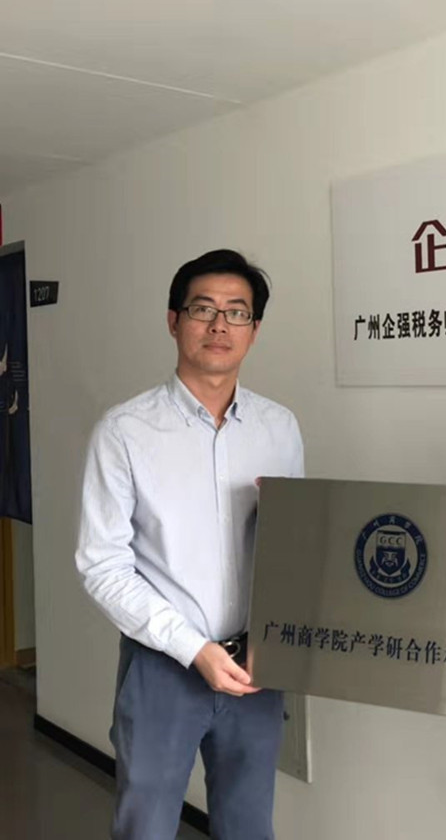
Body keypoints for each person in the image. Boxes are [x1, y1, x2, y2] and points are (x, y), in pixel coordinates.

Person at [76, 249, 304, 840]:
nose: (219, 325)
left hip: (255, 666)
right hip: (163, 667)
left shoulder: (280, 428)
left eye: (237, 312)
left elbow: (294, 546)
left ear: (255, 329)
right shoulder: (124, 431)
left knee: (248, 825)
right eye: (203, 309)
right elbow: (102, 565)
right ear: (174, 321)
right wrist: (193, 648)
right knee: (146, 827)